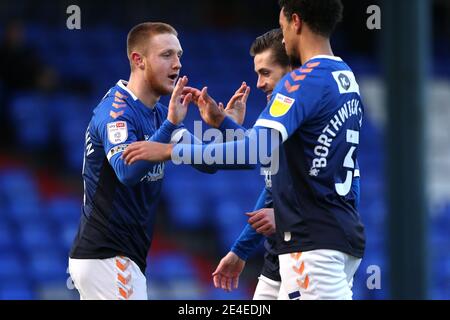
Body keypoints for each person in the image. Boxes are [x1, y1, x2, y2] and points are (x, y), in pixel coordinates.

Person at [123, 0, 366, 300]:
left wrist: (170, 151)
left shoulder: (301, 81)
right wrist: (224, 124)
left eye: (282, 27)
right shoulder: (345, 78)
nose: (283, 36)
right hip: (333, 238)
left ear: (296, 22)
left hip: (312, 246)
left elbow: (257, 149)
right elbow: (281, 158)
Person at [68, 22, 249, 300]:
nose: (177, 64)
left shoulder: (159, 113)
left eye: (179, 55)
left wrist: (226, 125)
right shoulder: (117, 111)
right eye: (166, 55)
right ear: (138, 60)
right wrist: (168, 128)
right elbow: (127, 171)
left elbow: (208, 162)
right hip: (106, 254)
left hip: (122, 257)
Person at [212, 28, 360, 300]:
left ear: (294, 73)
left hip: (311, 242)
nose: (258, 83)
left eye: (266, 73)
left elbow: (345, 188)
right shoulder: (288, 121)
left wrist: (171, 150)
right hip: (283, 250)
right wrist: (241, 250)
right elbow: (272, 187)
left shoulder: (306, 105)